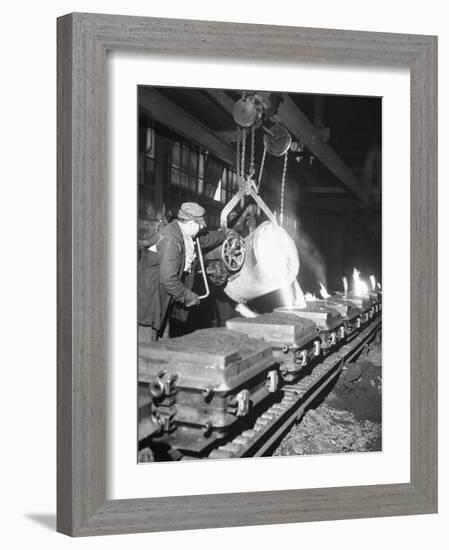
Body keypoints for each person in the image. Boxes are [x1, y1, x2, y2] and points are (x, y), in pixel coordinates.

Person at [138, 202, 231, 342]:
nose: (201, 228)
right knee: (147, 349)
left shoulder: (184, 234)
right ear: (191, 223)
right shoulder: (170, 239)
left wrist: (225, 234)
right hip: (150, 302)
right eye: (199, 225)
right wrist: (189, 297)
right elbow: (169, 280)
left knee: (164, 344)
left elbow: (207, 239)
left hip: (163, 299)